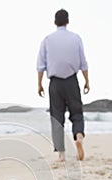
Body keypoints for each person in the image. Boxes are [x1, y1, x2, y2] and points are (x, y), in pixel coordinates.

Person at [37, 9, 90, 161]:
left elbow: (40, 65)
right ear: (68, 21)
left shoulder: (47, 40)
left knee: (56, 117)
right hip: (72, 80)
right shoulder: (76, 38)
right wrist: (87, 81)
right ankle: (78, 137)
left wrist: (39, 84)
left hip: (55, 83)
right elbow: (83, 63)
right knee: (77, 113)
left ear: (55, 22)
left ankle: (61, 154)